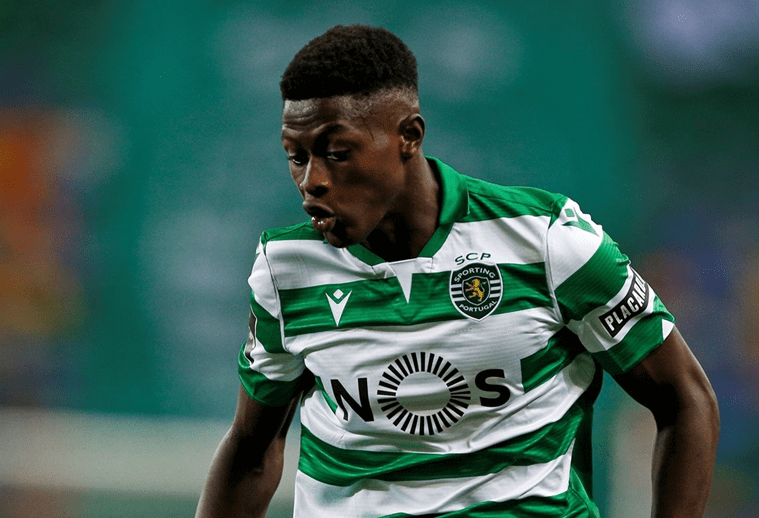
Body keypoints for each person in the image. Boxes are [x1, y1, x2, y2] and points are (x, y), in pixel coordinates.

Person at [196, 24, 719, 518]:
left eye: (337, 153)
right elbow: (251, 451)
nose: (312, 181)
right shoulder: (285, 269)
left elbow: (685, 399)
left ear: (409, 135)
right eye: (296, 157)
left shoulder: (547, 240)